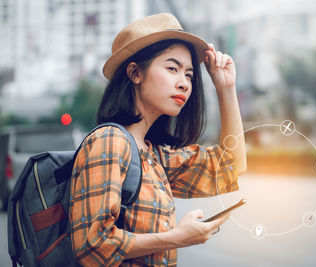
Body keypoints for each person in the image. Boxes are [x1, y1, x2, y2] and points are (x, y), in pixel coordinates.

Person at [69, 13, 247, 267]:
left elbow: (229, 167)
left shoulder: (154, 155)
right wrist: (174, 238)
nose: (184, 83)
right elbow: (93, 246)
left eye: (189, 75)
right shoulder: (109, 141)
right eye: (172, 68)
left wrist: (226, 88)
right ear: (135, 73)